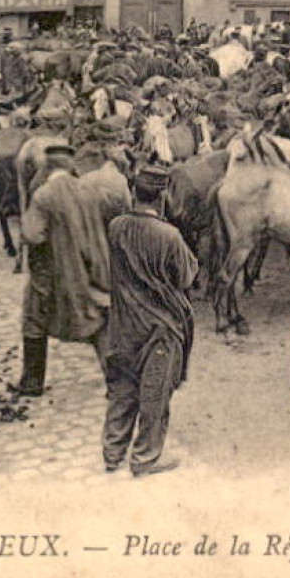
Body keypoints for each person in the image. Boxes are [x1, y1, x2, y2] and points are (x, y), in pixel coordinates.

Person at [103, 165, 198, 477]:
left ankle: (112, 452)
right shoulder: (169, 235)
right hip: (160, 327)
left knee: (121, 389)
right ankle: (145, 458)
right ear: (162, 197)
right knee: (154, 393)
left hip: (122, 323)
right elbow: (186, 276)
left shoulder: (116, 226)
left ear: (134, 193)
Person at [10, 144, 117, 398]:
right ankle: (116, 384)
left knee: (33, 321)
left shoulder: (44, 195)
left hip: (56, 274)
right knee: (98, 322)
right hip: (91, 269)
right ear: (71, 167)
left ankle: (32, 382)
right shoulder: (90, 189)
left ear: (47, 168)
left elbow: (33, 235)